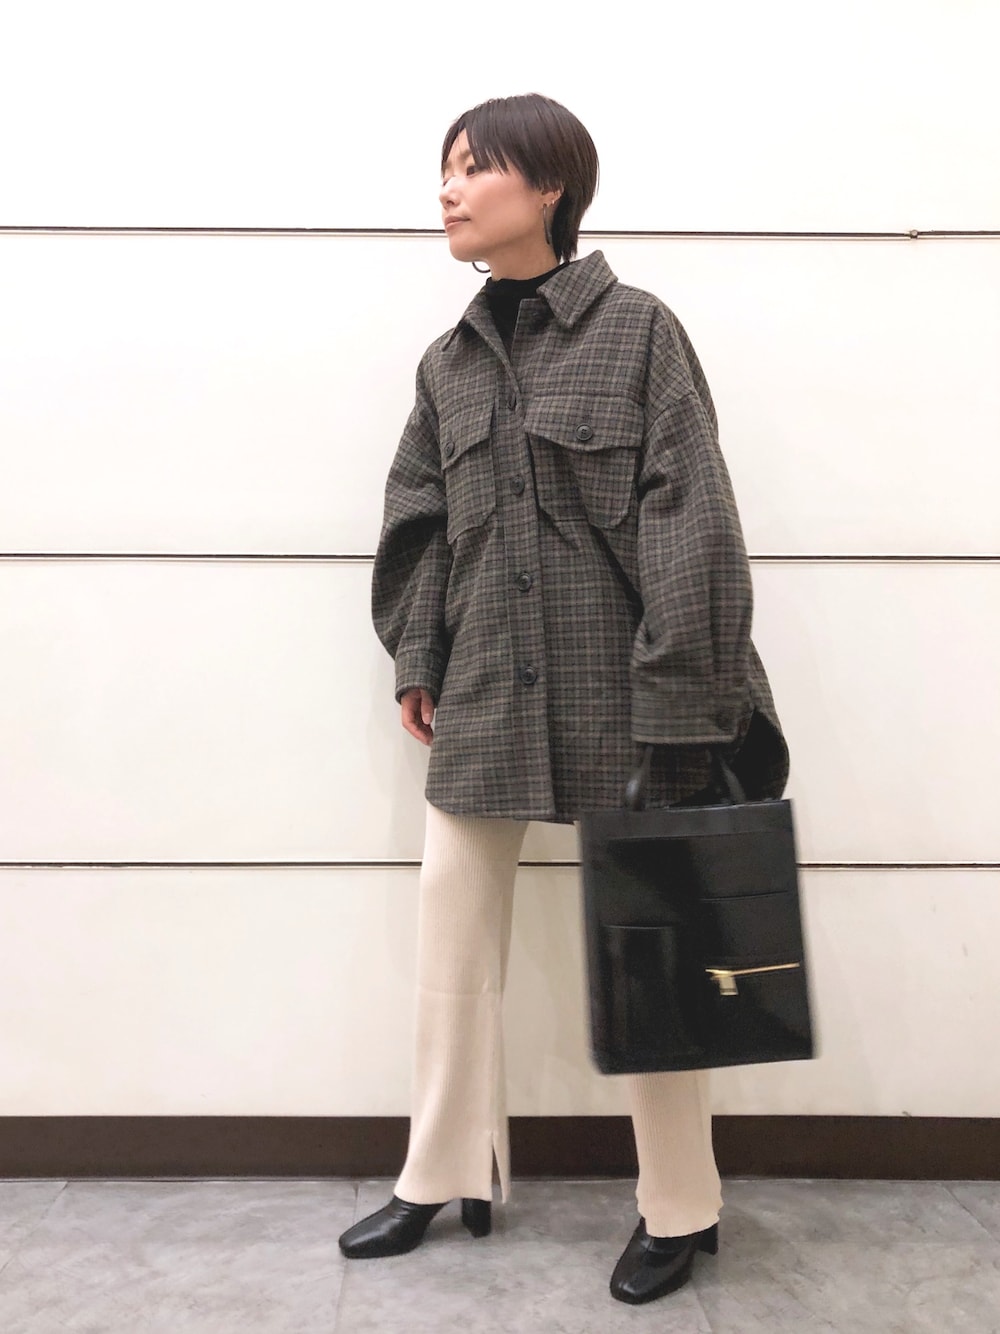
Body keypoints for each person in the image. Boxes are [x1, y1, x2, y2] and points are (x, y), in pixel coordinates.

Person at [338, 93, 788, 1306]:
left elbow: (693, 521)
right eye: (443, 168)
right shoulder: (446, 365)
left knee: (654, 949)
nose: (447, 189)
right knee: (450, 934)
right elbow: (417, 524)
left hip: (631, 694)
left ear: (547, 187)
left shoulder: (638, 333)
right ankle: (443, 1172)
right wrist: (419, 658)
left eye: (471, 167)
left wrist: (680, 704)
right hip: (487, 688)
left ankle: (680, 1203)